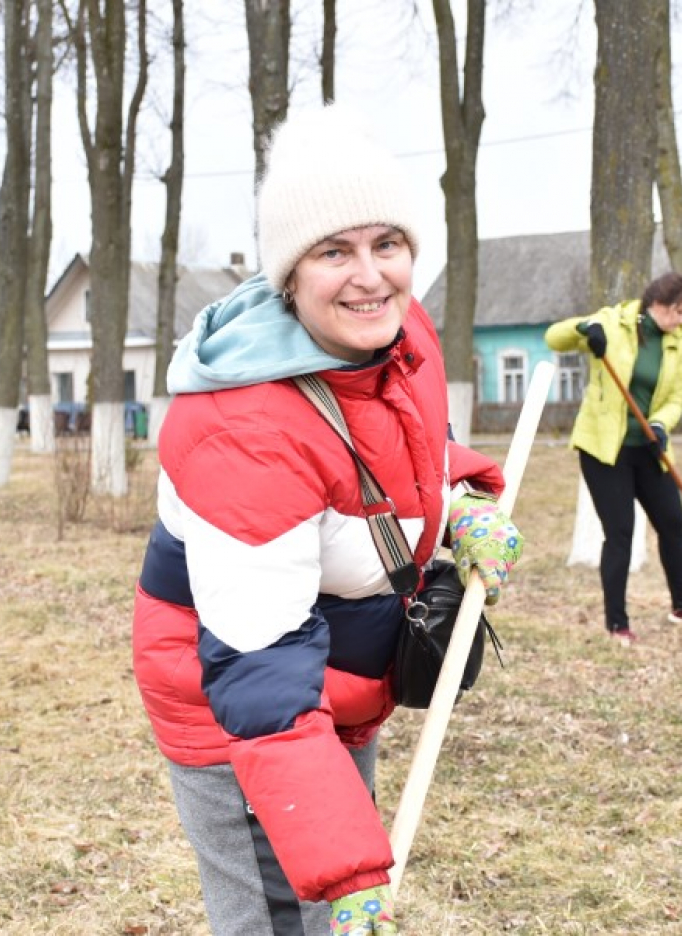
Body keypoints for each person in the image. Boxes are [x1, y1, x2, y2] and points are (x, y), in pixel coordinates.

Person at [131, 104, 524, 935]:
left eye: (387, 243)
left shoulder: (396, 334)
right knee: (292, 915)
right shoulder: (246, 432)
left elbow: (403, 455)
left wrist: (461, 510)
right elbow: (262, 668)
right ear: (287, 275)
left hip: (336, 676)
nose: (369, 275)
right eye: (333, 251)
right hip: (241, 705)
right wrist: (344, 869)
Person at [544, 273, 682, 646]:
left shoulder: (678, 343)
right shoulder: (613, 323)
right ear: (658, 305)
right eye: (679, 312)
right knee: (621, 534)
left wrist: (661, 424)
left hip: (649, 448)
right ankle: (617, 623)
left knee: (673, 521)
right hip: (605, 451)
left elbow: (675, 398)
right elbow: (554, 337)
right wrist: (585, 329)